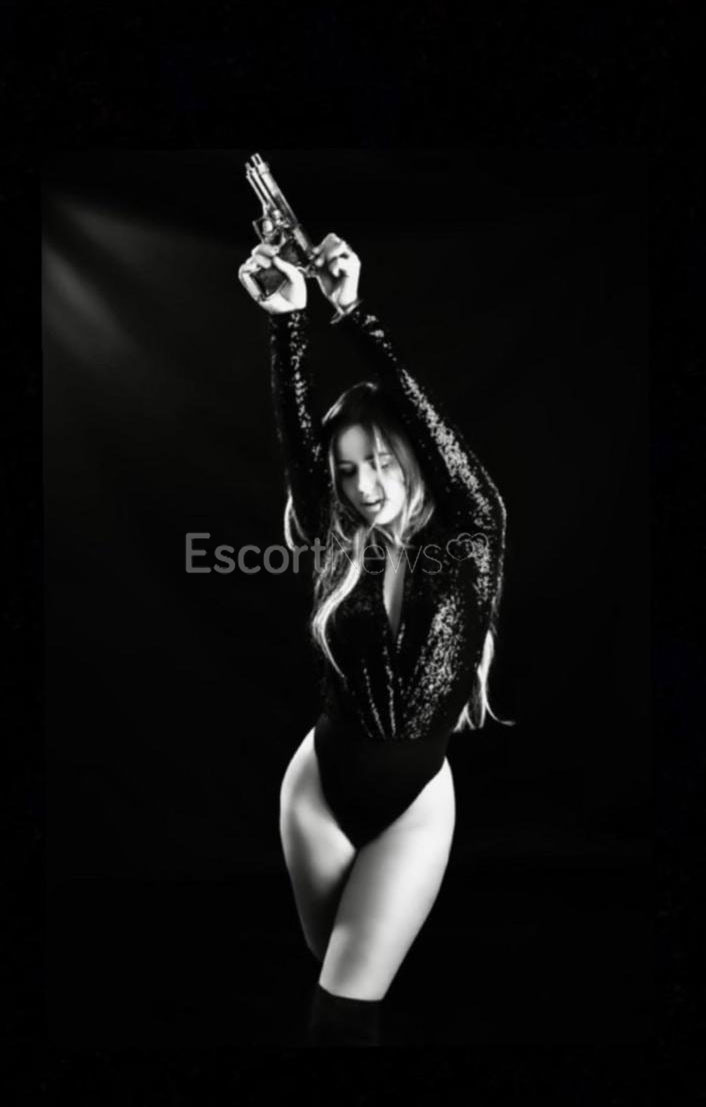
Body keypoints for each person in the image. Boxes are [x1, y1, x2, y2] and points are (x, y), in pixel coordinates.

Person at [238, 232, 510, 1046]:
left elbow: (433, 429)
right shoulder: (336, 539)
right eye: (349, 469)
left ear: (416, 455)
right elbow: (298, 439)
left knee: (343, 1003)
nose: (365, 485)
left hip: (413, 802)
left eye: (383, 461)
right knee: (338, 984)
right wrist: (287, 320)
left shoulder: (473, 534)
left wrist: (353, 313)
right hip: (317, 790)